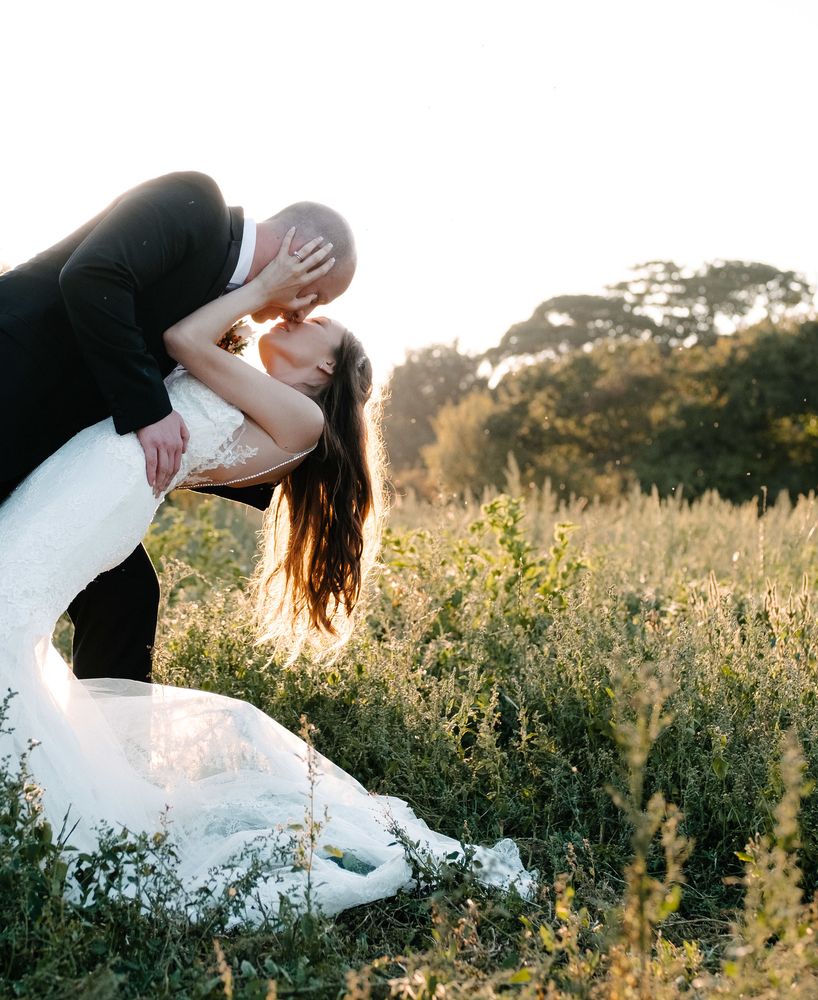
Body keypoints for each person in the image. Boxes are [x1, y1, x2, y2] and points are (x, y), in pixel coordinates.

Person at [0, 234, 535, 922]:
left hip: (99, 493)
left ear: (324, 371)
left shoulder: (302, 416)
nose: (297, 319)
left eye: (318, 327)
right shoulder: (264, 392)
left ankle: (44, 821)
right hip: (92, 481)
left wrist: (266, 283)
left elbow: (185, 339)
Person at [0, 170, 357, 683]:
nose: (302, 312)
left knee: (128, 596)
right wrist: (150, 412)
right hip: (14, 385)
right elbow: (93, 277)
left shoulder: (230, 312)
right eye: (316, 296)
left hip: (68, 456)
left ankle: (106, 744)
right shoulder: (196, 202)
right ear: (302, 255)